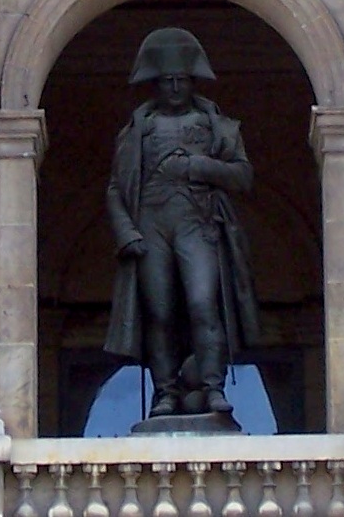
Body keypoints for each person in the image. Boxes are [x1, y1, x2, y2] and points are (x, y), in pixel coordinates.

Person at [104, 27, 260, 423]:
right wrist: (127, 232)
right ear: (155, 84)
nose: (174, 88)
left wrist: (196, 165)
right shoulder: (138, 129)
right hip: (151, 226)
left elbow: (243, 177)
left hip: (198, 224)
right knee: (159, 313)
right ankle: (165, 394)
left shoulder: (216, 126)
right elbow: (115, 188)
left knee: (202, 303)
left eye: (181, 80)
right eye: (166, 81)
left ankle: (213, 387)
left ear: (193, 81)